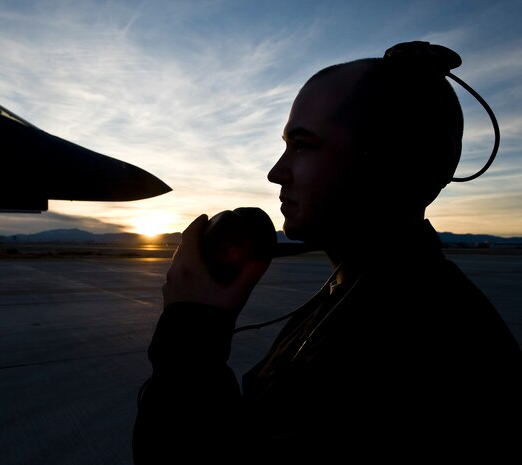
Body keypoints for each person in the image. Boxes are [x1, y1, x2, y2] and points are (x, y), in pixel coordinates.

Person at [132, 41, 522, 463]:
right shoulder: (358, 293)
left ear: (389, 160)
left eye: (303, 145)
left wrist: (190, 342)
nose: (275, 173)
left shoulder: (418, 351)